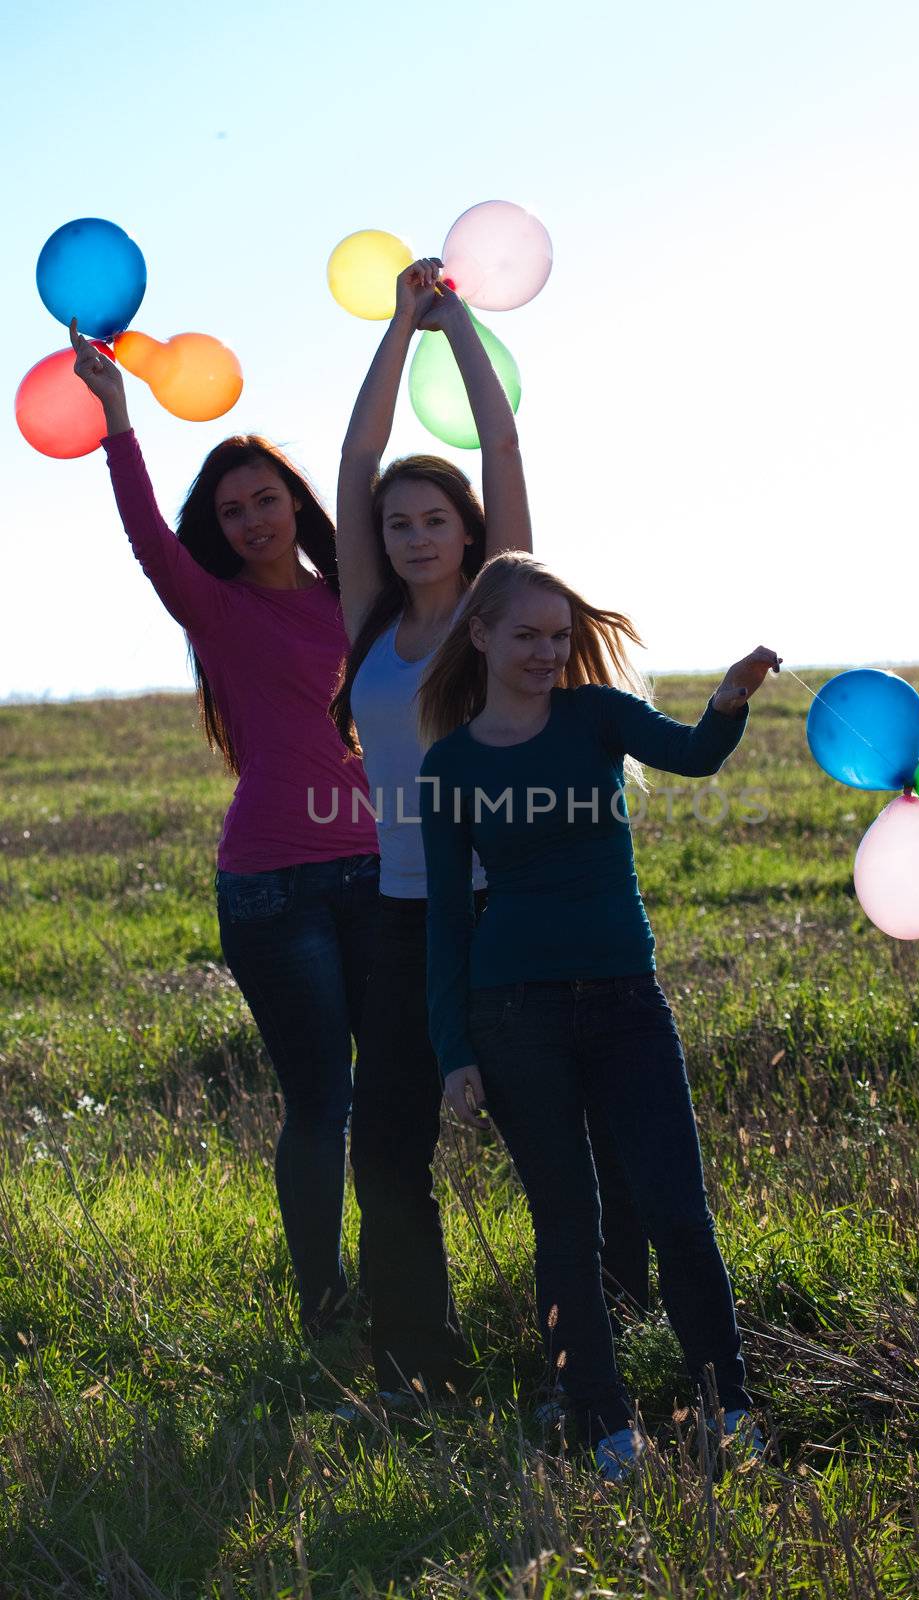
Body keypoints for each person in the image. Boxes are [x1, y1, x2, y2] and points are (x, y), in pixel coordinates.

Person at [328, 260, 649, 1402]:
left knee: (556, 1140)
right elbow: (355, 463)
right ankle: (418, 1359)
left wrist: (451, 321)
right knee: (388, 1145)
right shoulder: (369, 617)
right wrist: (393, 328)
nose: (414, 535)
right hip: (396, 912)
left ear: (468, 533)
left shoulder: (490, 608)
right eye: (397, 524)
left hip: (502, 908)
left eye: (434, 519)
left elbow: (501, 452)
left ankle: (605, 1332)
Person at [417, 551, 780, 1474]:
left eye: (559, 636)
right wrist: (454, 1048)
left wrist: (728, 701)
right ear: (482, 635)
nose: (547, 653)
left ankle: (726, 1412)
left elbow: (692, 756)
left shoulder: (596, 716)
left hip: (626, 1002)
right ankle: (602, 1425)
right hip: (512, 1016)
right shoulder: (449, 763)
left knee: (676, 1212)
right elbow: (448, 923)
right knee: (566, 1222)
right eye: (527, 636)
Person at [69, 320, 380, 1340]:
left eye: (264, 499)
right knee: (319, 1102)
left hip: (380, 873)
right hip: (272, 889)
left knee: (388, 1095)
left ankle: (401, 1298)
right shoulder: (211, 609)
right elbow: (146, 536)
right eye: (230, 509)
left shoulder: (357, 600)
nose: (249, 520)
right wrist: (118, 419)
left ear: (296, 502)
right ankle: (323, 1306)